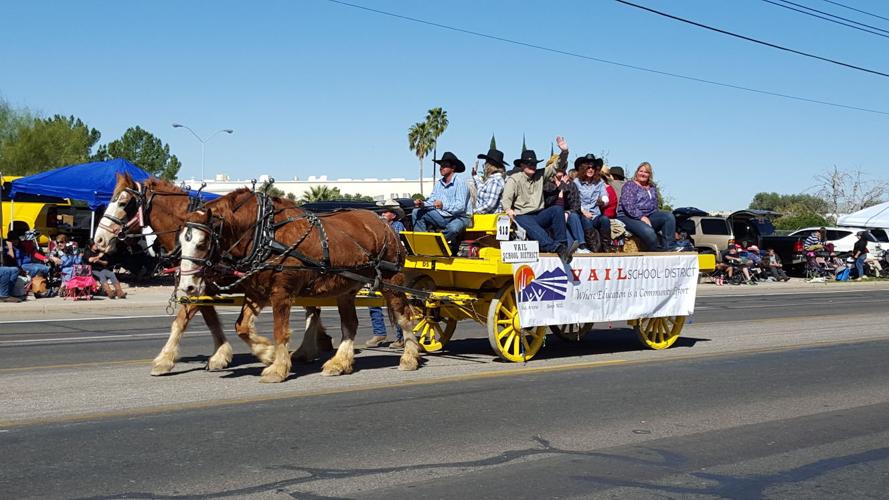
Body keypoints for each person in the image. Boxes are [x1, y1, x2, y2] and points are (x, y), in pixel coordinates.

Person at [501, 137, 578, 264]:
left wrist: (564, 152)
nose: (533, 166)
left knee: (557, 209)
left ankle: (562, 245)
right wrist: (508, 210)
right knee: (532, 226)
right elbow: (506, 200)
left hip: (539, 214)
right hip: (521, 215)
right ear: (522, 165)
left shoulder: (541, 174)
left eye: (535, 164)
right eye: (529, 163)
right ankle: (556, 248)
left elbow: (556, 166)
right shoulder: (514, 179)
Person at [412, 151, 471, 252]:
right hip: (442, 216)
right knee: (416, 211)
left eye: (444, 166)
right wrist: (423, 204)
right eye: (441, 166)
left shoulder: (460, 183)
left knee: (453, 228)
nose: (441, 168)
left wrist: (443, 205)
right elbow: (432, 201)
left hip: (460, 217)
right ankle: (422, 244)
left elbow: (460, 207)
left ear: (453, 168)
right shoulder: (438, 184)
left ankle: (434, 245)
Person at [366, 204, 407, 348]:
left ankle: (401, 337)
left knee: (396, 302)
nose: (382, 214)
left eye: (386, 212)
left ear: (394, 215)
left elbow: (398, 248)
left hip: (392, 268)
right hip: (378, 268)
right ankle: (379, 333)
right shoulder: (379, 229)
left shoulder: (397, 227)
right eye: (382, 212)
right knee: (373, 300)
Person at [617, 162, 678, 252]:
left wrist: (670, 229)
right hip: (628, 216)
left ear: (649, 175)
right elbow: (628, 206)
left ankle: (669, 247)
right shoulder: (630, 185)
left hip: (649, 215)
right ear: (637, 172)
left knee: (668, 216)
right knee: (649, 232)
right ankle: (656, 251)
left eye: (646, 172)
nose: (643, 174)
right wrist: (641, 217)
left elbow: (655, 206)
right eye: (641, 171)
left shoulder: (652, 188)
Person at [542, 152, 586, 252]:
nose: (560, 169)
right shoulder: (546, 184)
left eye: (563, 166)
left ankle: (582, 246)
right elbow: (548, 202)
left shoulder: (571, 184)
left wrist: (568, 212)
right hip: (551, 216)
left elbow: (576, 205)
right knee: (562, 227)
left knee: (574, 216)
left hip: (567, 216)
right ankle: (570, 248)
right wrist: (561, 187)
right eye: (558, 166)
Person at [573, 154, 612, 252]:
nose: (590, 169)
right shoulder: (576, 182)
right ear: (583, 168)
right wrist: (583, 211)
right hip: (583, 214)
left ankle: (606, 247)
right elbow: (574, 200)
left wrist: (603, 201)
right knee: (586, 220)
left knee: (605, 219)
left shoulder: (599, 182)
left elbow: (605, 196)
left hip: (596, 215)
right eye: (588, 167)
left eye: (593, 167)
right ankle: (594, 248)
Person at [471, 148, 508, 214]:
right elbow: (481, 188)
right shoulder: (493, 180)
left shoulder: (495, 181)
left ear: (489, 165)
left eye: (486, 162)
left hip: (489, 220)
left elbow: (489, 205)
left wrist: (474, 211)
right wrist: (475, 176)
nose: (485, 164)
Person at [1, 237, 23, 303]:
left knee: (15, 270)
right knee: (6, 271)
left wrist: (10, 248)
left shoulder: (4, 243)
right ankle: (3, 296)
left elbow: (12, 256)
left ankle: (7, 292)